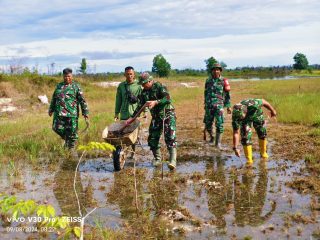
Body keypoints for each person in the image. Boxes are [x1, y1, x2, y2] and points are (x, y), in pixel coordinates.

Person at [126, 72, 177, 170]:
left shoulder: (159, 86)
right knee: (152, 138)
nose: (143, 85)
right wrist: (132, 118)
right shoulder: (144, 92)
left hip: (167, 114)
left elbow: (168, 98)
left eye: (144, 83)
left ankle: (173, 161)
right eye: (142, 84)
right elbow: (140, 106)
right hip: (156, 117)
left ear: (150, 81)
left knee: (170, 137)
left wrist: (156, 102)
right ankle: (157, 158)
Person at [49, 68, 89, 150]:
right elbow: (54, 98)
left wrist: (85, 113)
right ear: (63, 76)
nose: (67, 78)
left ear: (72, 76)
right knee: (56, 128)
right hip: (59, 113)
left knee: (72, 132)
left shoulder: (76, 86)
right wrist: (51, 109)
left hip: (72, 114)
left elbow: (82, 101)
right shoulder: (59, 86)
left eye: (69, 76)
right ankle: (68, 140)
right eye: (65, 76)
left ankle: (71, 148)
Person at [232, 98, 277, 165]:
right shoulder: (236, 115)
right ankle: (249, 160)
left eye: (241, 117)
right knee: (245, 137)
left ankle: (263, 153)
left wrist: (272, 110)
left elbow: (264, 102)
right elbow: (236, 132)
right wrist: (235, 148)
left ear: (245, 111)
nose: (239, 119)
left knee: (262, 132)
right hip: (245, 121)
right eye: (239, 118)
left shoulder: (254, 103)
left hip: (257, 115)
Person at [114, 66, 142, 159]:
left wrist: (145, 111)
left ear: (134, 75)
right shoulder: (121, 86)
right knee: (123, 134)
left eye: (131, 74)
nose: (129, 76)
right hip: (124, 114)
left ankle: (133, 153)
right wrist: (116, 113)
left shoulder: (139, 85)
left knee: (134, 135)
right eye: (127, 74)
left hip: (135, 114)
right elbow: (118, 100)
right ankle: (122, 153)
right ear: (124, 75)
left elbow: (143, 99)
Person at [204, 63, 231, 149]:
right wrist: (205, 103)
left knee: (219, 124)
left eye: (217, 69)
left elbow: (227, 95)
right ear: (211, 71)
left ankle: (218, 143)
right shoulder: (208, 81)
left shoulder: (224, 81)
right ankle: (212, 137)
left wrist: (228, 106)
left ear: (220, 71)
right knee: (208, 124)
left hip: (219, 106)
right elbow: (206, 93)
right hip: (209, 106)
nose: (216, 71)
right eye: (214, 69)